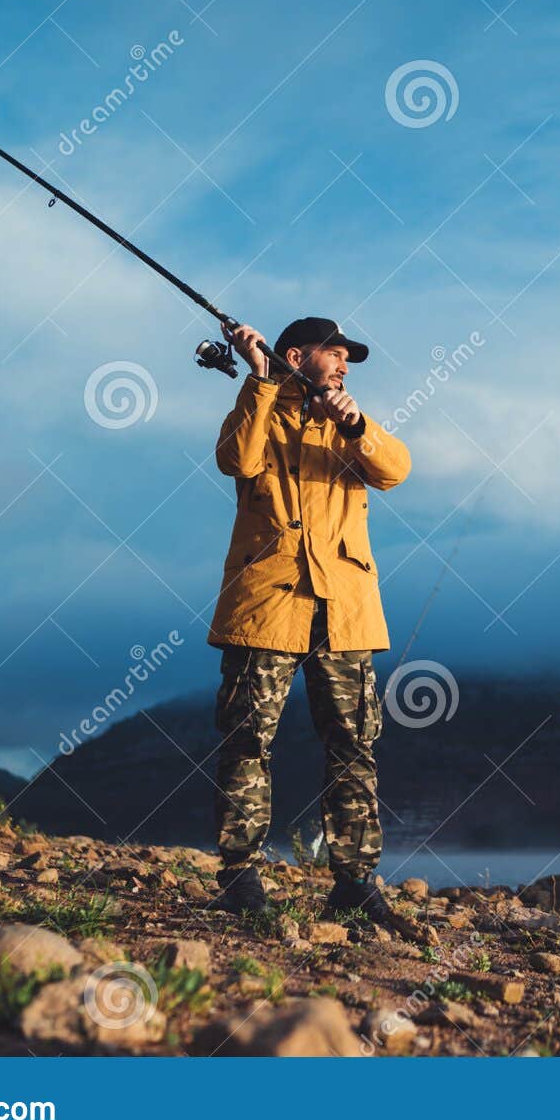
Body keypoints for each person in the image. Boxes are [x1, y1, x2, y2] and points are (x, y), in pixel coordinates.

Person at [204, 316, 410, 926]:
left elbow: (395, 469)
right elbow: (233, 460)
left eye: (348, 358)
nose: (345, 366)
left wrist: (354, 422)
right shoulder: (259, 405)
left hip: (344, 609)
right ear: (300, 354)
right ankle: (240, 879)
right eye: (336, 354)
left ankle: (355, 884)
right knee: (247, 739)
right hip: (266, 604)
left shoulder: (350, 422)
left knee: (354, 744)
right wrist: (259, 380)